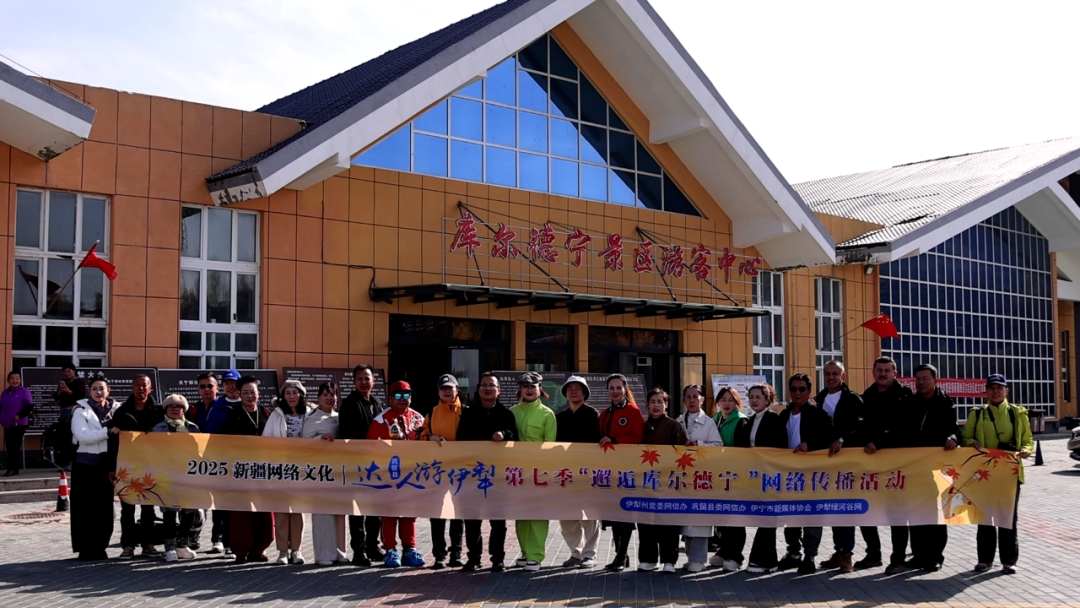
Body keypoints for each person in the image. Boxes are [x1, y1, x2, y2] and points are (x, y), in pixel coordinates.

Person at [961, 374, 1032, 575]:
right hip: (984, 473)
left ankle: (1008, 561)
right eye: (992, 387)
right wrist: (970, 443)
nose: (995, 391)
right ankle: (985, 560)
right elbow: (965, 438)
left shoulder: (1017, 413)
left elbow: (1027, 440)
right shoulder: (978, 414)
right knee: (984, 517)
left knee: (1008, 517)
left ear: (1006, 391)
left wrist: (1026, 450)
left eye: (999, 388)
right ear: (986, 391)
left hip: (1009, 473)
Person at [903, 364, 960, 572]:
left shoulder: (945, 403)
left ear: (935, 380)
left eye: (925, 378)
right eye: (917, 378)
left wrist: (953, 438)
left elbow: (955, 430)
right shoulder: (910, 403)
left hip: (937, 467)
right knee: (915, 511)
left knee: (936, 512)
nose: (921, 382)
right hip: (915, 467)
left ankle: (935, 556)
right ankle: (918, 555)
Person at [457, 372, 516, 571]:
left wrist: (504, 434)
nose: (488, 388)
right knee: (472, 519)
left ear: (499, 390)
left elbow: (515, 438)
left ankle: (497, 558)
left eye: (492, 385)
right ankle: (473, 558)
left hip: (498, 475)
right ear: (479, 389)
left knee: (498, 520)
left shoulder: (507, 414)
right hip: (473, 474)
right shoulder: (469, 413)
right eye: (484, 385)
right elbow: (460, 441)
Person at [777, 373, 832, 575]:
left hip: (812, 475)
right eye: (794, 389)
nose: (797, 393)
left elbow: (829, 438)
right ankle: (793, 553)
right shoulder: (784, 414)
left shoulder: (819, 414)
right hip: (789, 474)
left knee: (811, 517)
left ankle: (810, 556)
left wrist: (810, 445)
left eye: (802, 389)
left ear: (809, 391)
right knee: (791, 516)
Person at [367, 380, 426, 568]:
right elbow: (371, 450)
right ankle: (390, 550)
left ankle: (410, 549)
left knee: (410, 514)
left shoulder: (419, 419)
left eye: (406, 395)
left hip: (411, 477)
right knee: (389, 515)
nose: (402, 399)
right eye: (398, 395)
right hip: (389, 477)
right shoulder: (380, 420)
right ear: (390, 398)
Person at [863, 356, 914, 574]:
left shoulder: (905, 397)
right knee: (866, 510)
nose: (882, 374)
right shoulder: (867, 395)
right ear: (873, 372)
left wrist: (879, 442)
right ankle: (873, 554)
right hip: (869, 463)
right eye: (879, 370)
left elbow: (905, 429)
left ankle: (898, 559)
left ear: (895, 373)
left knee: (897, 514)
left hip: (896, 464)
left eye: (887, 370)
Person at [815, 361, 865, 574]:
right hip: (826, 462)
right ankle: (838, 552)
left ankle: (847, 555)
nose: (831, 377)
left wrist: (842, 439)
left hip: (847, 462)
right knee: (833, 507)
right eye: (827, 373)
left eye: (835, 373)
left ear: (843, 375)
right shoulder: (819, 399)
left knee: (845, 507)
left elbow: (861, 427)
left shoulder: (853, 399)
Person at [737, 383, 788, 573]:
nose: (754, 400)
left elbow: (780, 445)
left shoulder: (774, 419)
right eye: (751, 397)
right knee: (763, 518)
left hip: (771, 475)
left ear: (768, 399)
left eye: (758, 397)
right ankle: (769, 561)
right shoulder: (749, 420)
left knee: (768, 518)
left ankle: (760, 560)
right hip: (755, 476)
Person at [222, 376, 274, 563]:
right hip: (241, 470)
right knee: (241, 512)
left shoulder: (267, 413)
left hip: (264, 470)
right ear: (239, 394)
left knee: (263, 511)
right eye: (245, 392)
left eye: (253, 392)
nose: (250, 396)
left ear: (259, 393)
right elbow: (226, 442)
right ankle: (240, 550)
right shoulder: (233, 414)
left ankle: (258, 549)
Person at [112, 374, 164, 560]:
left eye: (144, 385)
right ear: (132, 387)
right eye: (137, 385)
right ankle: (127, 546)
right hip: (127, 466)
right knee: (127, 508)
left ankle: (148, 544)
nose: (141, 388)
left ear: (150, 389)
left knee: (148, 507)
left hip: (150, 465)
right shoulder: (122, 411)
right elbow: (113, 441)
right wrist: (112, 467)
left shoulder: (158, 411)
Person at [337, 364, 385, 566]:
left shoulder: (377, 403)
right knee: (357, 510)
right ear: (354, 382)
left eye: (367, 378)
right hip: (356, 464)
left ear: (374, 381)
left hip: (377, 465)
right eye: (360, 379)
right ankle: (359, 550)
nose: (364, 382)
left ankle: (373, 546)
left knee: (375, 508)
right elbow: (347, 435)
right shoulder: (349, 404)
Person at [69, 374, 119, 560]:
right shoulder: (80, 411)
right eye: (94, 389)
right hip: (84, 465)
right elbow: (83, 437)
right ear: (89, 391)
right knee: (83, 508)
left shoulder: (117, 409)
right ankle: (84, 548)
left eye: (102, 389)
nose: (98, 392)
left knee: (104, 509)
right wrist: (108, 432)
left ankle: (100, 547)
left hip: (107, 466)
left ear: (108, 390)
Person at [510, 372, 557, 571]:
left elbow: (550, 445)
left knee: (537, 514)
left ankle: (536, 556)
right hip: (516, 472)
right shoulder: (512, 412)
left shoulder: (547, 414)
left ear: (540, 389)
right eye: (525, 386)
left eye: (533, 386)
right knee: (521, 514)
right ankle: (524, 553)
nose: (529, 390)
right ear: (520, 390)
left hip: (538, 472)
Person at [263, 379, 313, 565]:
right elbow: (266, 440)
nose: (291, 396)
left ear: (301, 395)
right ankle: (283, 551)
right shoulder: (276, 415)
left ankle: (296, 550)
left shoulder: (309, 414)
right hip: (281, 468)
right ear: (283, 396)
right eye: (288, 393)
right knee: (282, 511)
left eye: (295, 392)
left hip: (302, 469)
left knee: (298, 511)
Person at [598, 373, 644, 571]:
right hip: (609, 472)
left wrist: (615, 441)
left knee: (624, 515)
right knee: (612, 515)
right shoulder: (604, 414)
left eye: (619, 387)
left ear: (625, 389)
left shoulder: (633, 411)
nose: (615, 391)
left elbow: (639, 438)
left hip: (627, 471)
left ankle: (622, 555)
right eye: (612, 388)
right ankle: (620, 556)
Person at [638, 388, 686, 574]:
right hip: (646, 482)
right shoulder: (642, 426)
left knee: (668, 522)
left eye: (660, 401)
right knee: (646, 521)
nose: (656, 405)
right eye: (653, 402)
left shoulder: (674, 426)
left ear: (666, 405)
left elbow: (682, 454)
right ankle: (648, 559)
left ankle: (669, 560)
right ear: (647, 405)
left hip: (668, 482)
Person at [555, 375, 601, 569]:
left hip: (587, 472)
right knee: (566, 517)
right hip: (566, 473)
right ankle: (576, 552)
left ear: (584, 393)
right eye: (570, 389)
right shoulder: (560, 417)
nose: (573, 392)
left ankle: (590, 554)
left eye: (578, 388)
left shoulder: (592, 414)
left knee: (589, 516)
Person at [421, 374, 465, 569]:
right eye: (443, 388)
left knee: (458, 512)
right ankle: (439, 554)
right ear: (438, 392)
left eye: (450, 388)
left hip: (461, 469)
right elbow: (421, 435)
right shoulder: (432, 413)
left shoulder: (466, 411)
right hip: (437, 469)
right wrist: (430, 437)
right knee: (437, 512)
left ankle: (456, 553)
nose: (447, 391)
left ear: (457, 390)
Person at [303, 382, 348, 566]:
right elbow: (304, 443)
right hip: (319, 471)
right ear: (318, 398)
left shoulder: (340, 417)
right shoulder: (312, 418)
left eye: (333, 394)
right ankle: (324, 554)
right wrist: (320, 439)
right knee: (322, 513)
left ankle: (340, 551)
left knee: (339, 512)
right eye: (325, 394)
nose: (330, 398)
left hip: (339, 470)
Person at [151, 394, 200, 562]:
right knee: (169, 512)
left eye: (178, 407)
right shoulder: (158, 428)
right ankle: (169, 547)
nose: (174, 409)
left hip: (188, 474)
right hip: (166, 475)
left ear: (184, 410)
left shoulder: (193, 428)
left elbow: (200, 451)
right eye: (170, 406)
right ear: (165, 410)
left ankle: (182, 545)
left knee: (189, 510)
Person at [680, 384, 721, 572]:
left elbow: (718, 446)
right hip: (682, 477)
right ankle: (691, 558)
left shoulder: (709, 423)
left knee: (699, 519)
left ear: (702, 400)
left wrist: (699, 444)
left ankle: (698, 559)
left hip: (701, 476)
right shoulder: (678, 421)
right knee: (686, 520)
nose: (691, 400)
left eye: (695, 397)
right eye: (688, 397)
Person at [710, 387, 750, 571]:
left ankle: (735, 556)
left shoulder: (741, 421)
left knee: (735, 518)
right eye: (723, 400)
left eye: (730, 400)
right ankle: (724, 551)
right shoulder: (714, 420)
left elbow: (742, 452)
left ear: (737, 402)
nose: (726, 404)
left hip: (734, 476)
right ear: (717, 402)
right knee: (720, 516)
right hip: (717, 476)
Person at [203, 369, 239, 557]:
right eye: (227, 383)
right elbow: (210, 431)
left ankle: (232, 541)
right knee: (219, 501)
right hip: (221, 460)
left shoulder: (249, 403)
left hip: (243, 461)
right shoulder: (218, 405)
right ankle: (217, 539)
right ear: (222, 386)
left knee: (236, 503)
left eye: (233, 383)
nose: (230, 386)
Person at [1, 371, 32, 476]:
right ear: (8, 380)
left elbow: (29, 406)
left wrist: (19, 415)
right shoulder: (5, 392)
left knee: (14, 446)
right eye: (12, 378)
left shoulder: (24, 391)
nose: (15, 380)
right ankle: (14, 469)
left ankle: (12, 468)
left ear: (20, 380)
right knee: (9, 446)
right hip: (7, 423)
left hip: (19, 424)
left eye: (17, 378)